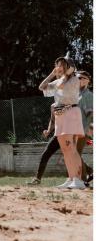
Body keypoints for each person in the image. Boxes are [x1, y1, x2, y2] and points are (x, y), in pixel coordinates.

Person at [39, 55, 85, 190]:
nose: (59, 66)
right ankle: (71, 178)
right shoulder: (59, 81)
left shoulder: (74, 79)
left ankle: (78, 180)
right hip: (61, 115)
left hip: (71, 113)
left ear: (69, 67)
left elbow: (65, 82)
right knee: (65, 149)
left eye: (62, 64)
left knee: (71, 148)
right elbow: (42, 87)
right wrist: (52, 74)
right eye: (57, 64)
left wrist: (67, 68)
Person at [26, 103, 60, 185]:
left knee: (73, 156)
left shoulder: (68, 102)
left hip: (67, 134)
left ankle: (89, 174)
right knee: (45, 155)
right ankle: (37, 179)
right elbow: (52, 120)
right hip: (58, 134)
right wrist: (48, 131)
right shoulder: (53, 106)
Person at [76, 70, 93, 185]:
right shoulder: (77, 94)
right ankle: (90, 172)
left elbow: (90, 114)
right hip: (75, 129)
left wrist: (88, 130)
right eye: (77, 78)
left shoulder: (88, 95)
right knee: (73, 154)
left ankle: (83, 180)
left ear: (88, 80)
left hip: (83, 130)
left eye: (82, 78)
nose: (79, 80)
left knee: (75, 154)